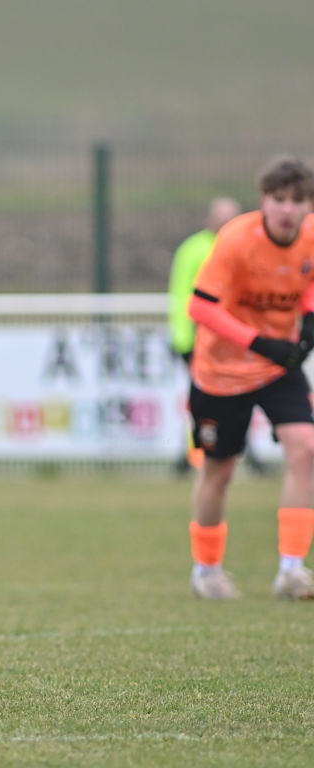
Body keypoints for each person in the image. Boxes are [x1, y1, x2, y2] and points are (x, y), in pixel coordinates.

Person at [185, 157, 314, 600]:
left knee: (306, 448)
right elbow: (199, 306)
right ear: (263, 200)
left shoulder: (311, 237)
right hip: (221, 371)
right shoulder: (237, 239)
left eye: (298, 200)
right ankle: (206, 570)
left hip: (277, 368)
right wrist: (257, 341)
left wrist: (309, 316)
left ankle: (292, 570)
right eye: (279, 199)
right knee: (219, 469)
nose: (287, 209)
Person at [168, 197, 242, 474]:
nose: (226, 222)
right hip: (199, 339)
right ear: (209, 219)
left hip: (236, 338)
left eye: (231, 217)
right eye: (221, 216)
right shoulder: (194, 249)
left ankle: (239, 453)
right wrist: (183, 337)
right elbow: (181, 295)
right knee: (204, 400)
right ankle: (196, 455)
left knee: (239, 396)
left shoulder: (243, 246)